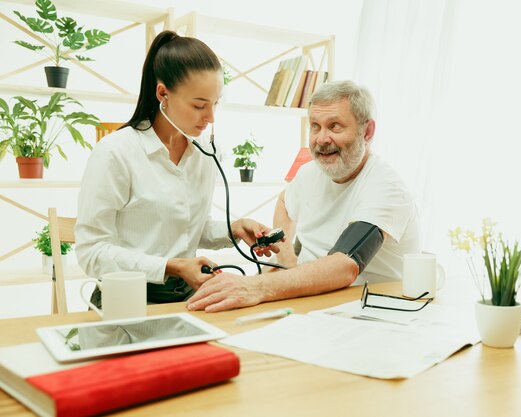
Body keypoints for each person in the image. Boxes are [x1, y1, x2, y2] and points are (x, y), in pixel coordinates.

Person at [75, 30, 279, 306]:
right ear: (163, 93)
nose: (210, 117)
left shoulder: (205, 152)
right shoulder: (115, 153)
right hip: (125, 302)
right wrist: (171, 266)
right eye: (199, 105)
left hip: (187, 299)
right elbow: (92, 252)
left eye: (216, 103)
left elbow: (188, 224)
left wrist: (235, 229)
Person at [187, 80, 419, 313]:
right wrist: (285, 256)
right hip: (308, 303)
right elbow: (285, 202)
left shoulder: (386, 187)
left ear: (367, 132)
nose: (321, 139)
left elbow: (346, 263)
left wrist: (256, 286)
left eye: (335, 126)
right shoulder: (309, 173)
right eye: (315, 126)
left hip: (368, 311)